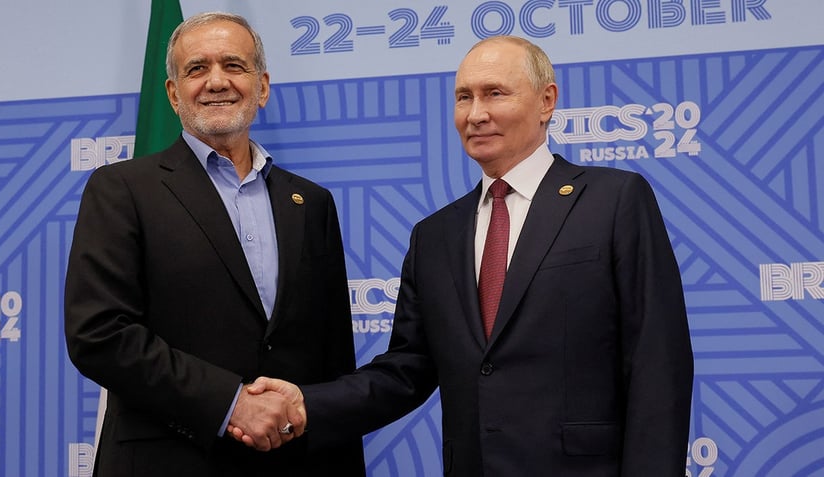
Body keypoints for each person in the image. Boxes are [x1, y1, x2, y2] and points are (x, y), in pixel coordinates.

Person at [240, 35, 694, 476]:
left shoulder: (614, 201)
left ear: (546, 101)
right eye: (463, 98)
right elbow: (406, 371)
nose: (476, 114)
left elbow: (658, 364)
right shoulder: (434, 236)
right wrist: (305, 403)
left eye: (494, 93)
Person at [64, 11, 365, 477]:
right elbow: (99, 335)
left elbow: (333, 360)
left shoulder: (311, 203)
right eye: (196, 69)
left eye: (234, 65)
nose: (216, 81)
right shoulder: (122, 189)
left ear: (262, 87)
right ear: (173, 93)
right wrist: (231, 403)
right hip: (168, 462)